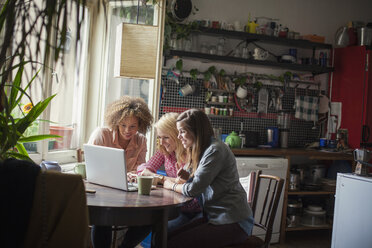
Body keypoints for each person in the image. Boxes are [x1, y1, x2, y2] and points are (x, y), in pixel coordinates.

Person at [164, 108, 254, 248]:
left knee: (173, 244)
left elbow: (193, 190)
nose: (179, 136)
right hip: (216, 217)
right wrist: (188, 176)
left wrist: (170, 185)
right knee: (165, 236)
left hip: (234, 221)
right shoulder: (201, 150)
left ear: (196, 131)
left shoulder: (215, 150)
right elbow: (205, 182)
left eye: (182, 131)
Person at [88, 95, 153, 248]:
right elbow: (90, 168)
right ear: (116, 121)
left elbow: (140, 169)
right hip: (101, 193)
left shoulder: (141, 140)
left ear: (141, 125)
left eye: (133, 126)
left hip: (127, 194)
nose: (127, 131)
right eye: (123, 125)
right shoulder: (102, 134)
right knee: (105, 216)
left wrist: (136, 175)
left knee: (150, 219)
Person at [136, 112, 202, 232]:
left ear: (178, 135)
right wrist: (164, 180)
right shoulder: (165, 151)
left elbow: (190, 188)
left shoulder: (192, 154)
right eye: (159, 137)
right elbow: (143, 169)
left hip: (191, 210)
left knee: (162, 229)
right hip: (173, 206)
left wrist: (160, 180)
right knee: (142, 223)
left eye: (166, 137)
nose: (161, 142)